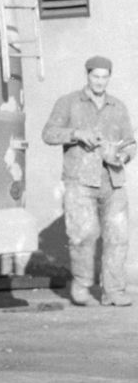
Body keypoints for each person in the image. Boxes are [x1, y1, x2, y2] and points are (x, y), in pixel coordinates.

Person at [42, 55, 135, 306]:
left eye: (105, 77)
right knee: (82, 235)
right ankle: (81, 286)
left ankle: (113, 291)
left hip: (113, 180)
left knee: (118, 237)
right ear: (87, 75)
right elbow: (48, 134)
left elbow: (130, 142)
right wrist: (76, 134)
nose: (100, 82)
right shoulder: (69, 103)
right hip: (79, 179)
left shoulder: (118, 106)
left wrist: (123, 155)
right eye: (96, 76)